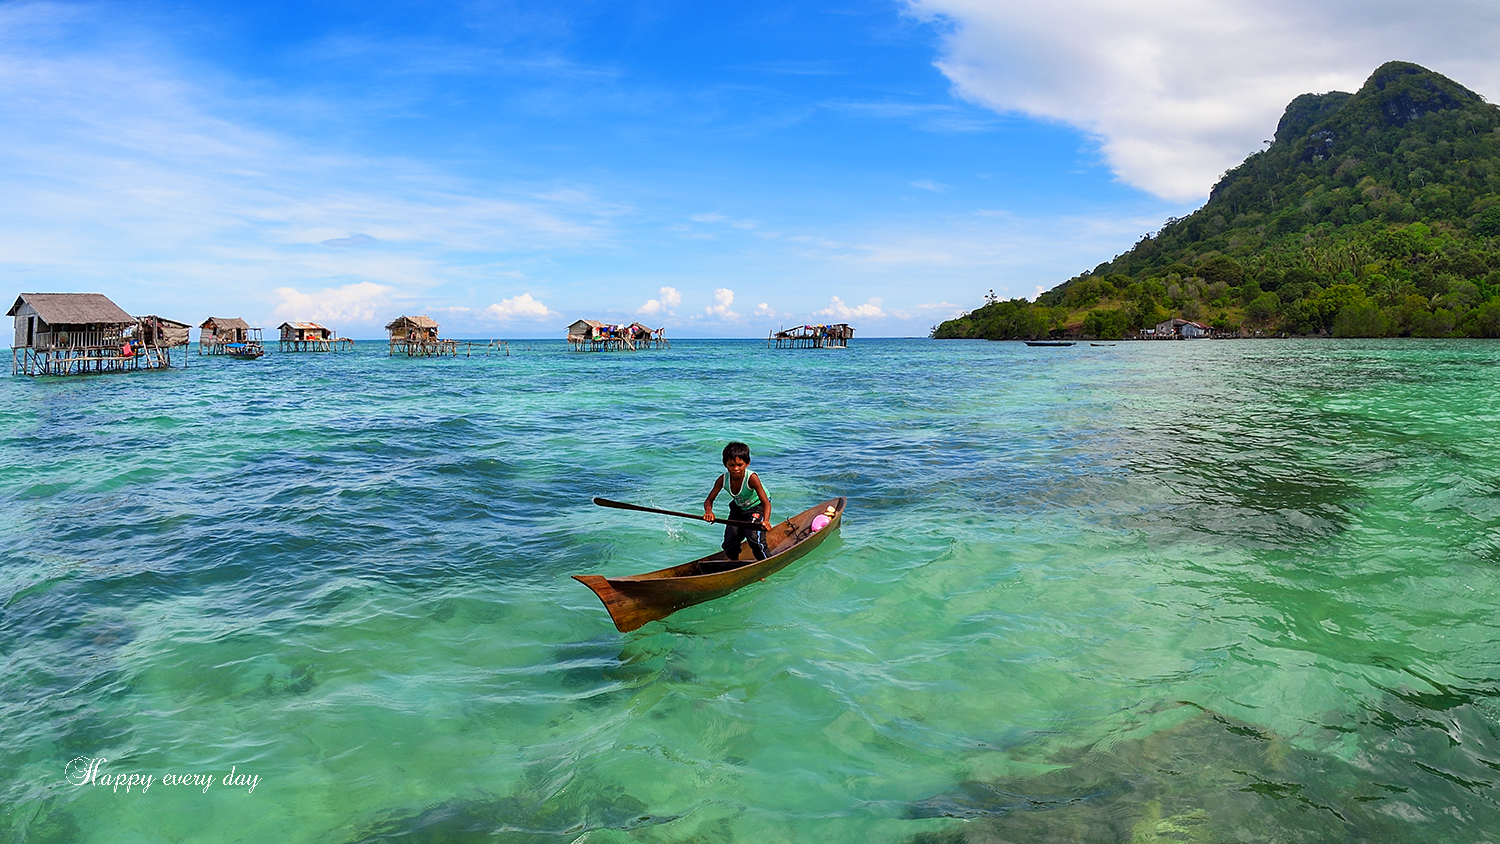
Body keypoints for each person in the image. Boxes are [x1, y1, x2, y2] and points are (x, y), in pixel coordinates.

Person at [704, 441, 771, 561]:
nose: (736, 469)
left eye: (740, 465)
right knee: (730, 542)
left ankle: (766, 562)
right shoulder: (722, 479)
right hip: (739, 507)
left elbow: (766, 502)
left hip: (757, 506)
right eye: (731, 465)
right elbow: (708, 500)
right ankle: (734, 564)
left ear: (747, 464)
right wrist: (709, 512)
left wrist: (766, 521)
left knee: (754, 538)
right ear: (725, 464)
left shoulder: (752, 478)